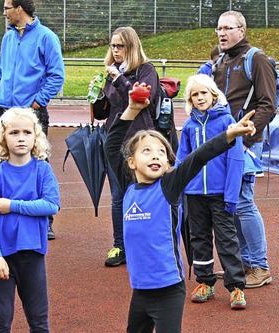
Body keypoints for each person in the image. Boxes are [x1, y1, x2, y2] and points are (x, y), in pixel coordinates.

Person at [105, 82, 256, 332]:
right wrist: (131, 109)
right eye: (147, 151)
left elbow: (199, 156)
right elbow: (112, 145)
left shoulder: (169, 187)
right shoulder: (128, 186)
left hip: (168, 290)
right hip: (140, 290)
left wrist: (229, 135)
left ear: (168, 163)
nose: (155, 155)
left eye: (161, 152)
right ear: (131, 162)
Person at [0, 107, 60, 332]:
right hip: (3, 257)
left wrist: (12, 205)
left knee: (38, 319)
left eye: (27, 132)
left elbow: (51, 205)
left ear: (36, 137)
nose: (21, 138)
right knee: (0, 319)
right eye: (14, 133)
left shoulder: (43, 171)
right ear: (3, 138)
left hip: (33, 255)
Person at [211, 10, 275, 289]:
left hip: (245, 144)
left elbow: (268, 104)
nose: (222, 33)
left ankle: (260, 265)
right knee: (232, 204)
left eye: (227, 28)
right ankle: (245, 263)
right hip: (224, 142)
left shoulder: (256, 59)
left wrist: (245, 139)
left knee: (244, 203)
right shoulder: (221, 60)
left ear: (242, 30)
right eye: (219, 28)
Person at [0, 0, 65, 240]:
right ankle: (7, 211)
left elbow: (57, 75)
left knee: (38, 159)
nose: (4, 12)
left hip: (31, 111)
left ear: (19, 9)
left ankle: (45, 219)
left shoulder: (46, 37)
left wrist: (37, 102)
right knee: (3, 157)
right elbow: (0, 71)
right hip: (4, 109)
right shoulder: (8, 38)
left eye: (7, 8)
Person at [90, 26, 159, 268]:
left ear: (132, 47)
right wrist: (96, 93)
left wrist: (119, 79)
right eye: (112, 46)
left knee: (143, 193)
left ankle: (144, 243)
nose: (115, 50)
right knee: (118, 195)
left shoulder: (146, 70)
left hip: (141, 141)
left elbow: (140, 99)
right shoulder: (110, 74)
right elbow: (102, 112)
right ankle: (120, 244)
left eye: (120, 46)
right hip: (115, 140)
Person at [176, 74, 247, 309]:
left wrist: (231, 194)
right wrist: (179, 186)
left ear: (214, 94)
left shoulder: (228, 123)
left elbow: (236, 160)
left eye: (203, 93)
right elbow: (182, 160)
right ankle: (205, 282)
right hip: (194, 195)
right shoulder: (189, 126)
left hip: (220, 194)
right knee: (199, 239)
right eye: (194, 95)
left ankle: (236, 287)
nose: (199, 98)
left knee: (227, 240)